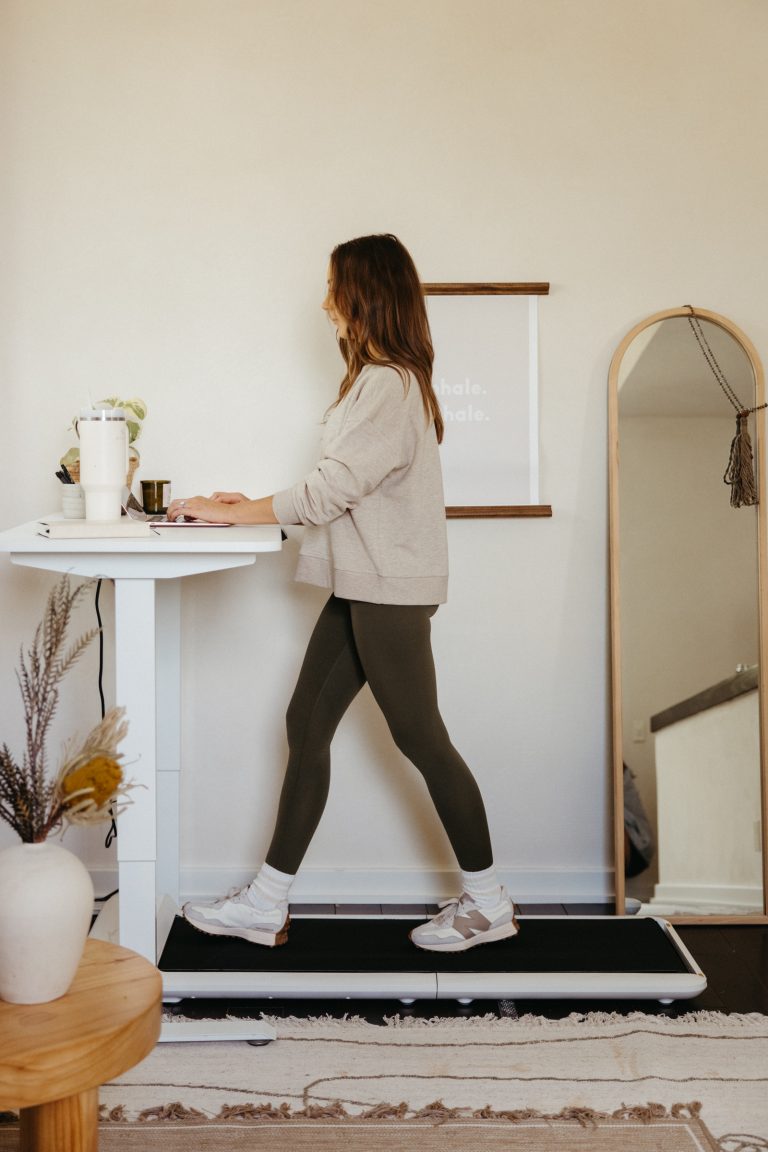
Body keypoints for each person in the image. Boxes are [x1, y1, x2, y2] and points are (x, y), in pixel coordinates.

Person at [172, 233, 518, 953]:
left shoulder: (389, 383)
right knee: (307, 724)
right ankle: (267, 902)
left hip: (387, 591)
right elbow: (341, 488)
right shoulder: (381, 382)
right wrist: (248, 502)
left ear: (363, 294)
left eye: (334, 286)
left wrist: (235, 512)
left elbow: (332, 490)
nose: (325, 301)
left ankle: (489, 903)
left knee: (422, 738)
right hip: (365, 586)